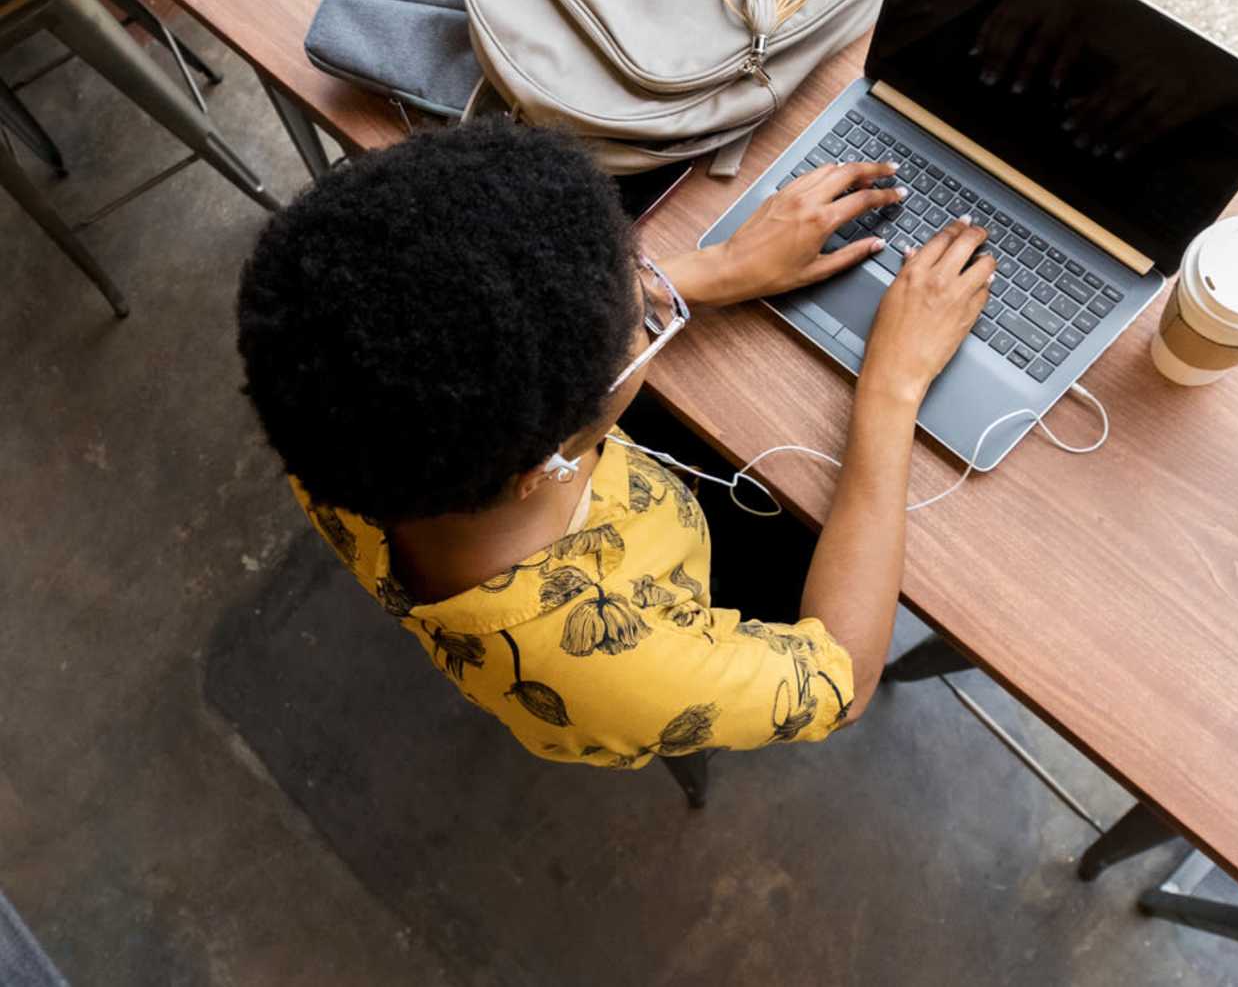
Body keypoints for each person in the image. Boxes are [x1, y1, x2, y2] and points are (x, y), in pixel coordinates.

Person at [236, 119, 992, 768]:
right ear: (544, 465)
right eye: (648, 322)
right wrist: (891, 388)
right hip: (693, 582)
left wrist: (719, 268)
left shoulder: (340, 413)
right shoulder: (613, 667)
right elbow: (844, 682)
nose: (658, 297)